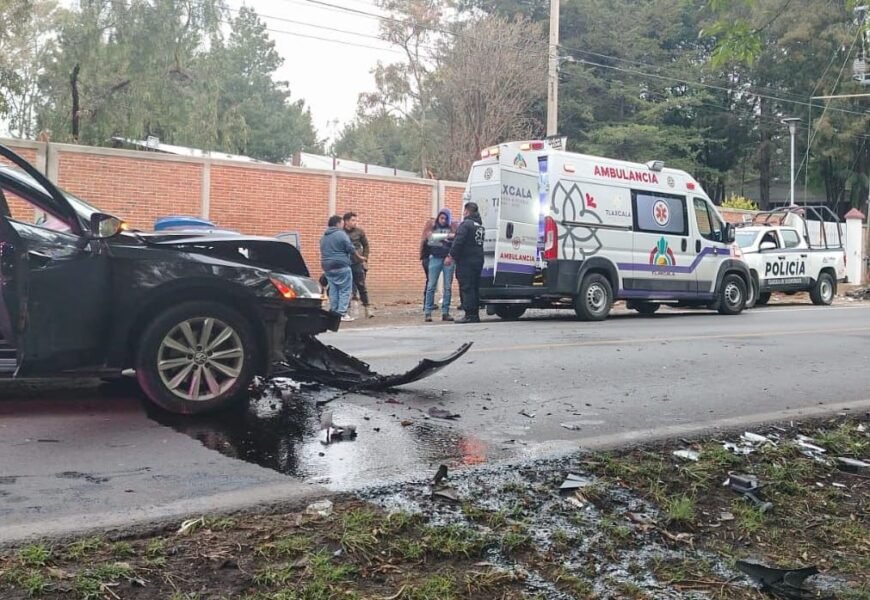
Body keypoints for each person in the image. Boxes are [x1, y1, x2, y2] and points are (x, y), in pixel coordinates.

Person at [445, 202, 485, 324]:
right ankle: (475, 314)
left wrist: (450, 256)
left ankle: (469, 314)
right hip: (478, 260)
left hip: (466, 261)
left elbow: (459, 242)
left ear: (467, 211)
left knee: (466, 287)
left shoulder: (465, 225)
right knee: (474, 287)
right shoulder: (480, 226)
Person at [320, 215, 365, 322]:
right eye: (341, 223)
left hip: (327, 266)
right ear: (338, 224)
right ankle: (342, 313)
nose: (343, 225)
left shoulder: (324, 237)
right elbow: (350, 248)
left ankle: (334, 311)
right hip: (341, 264)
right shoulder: (341, 234)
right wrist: (360, 257)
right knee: (345, 289)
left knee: (334, 289)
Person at [422, 208, 457, 322]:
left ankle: (445, 312)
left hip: (447, 259)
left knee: (447, 287)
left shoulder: (452, 228)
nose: (443, 220)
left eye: (445, 218)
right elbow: (431, 239)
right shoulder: (433, 227)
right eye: (441, 218)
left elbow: (454, 242)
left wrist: (443, 239)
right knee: (431, 286)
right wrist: (447, 236)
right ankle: (428, 312)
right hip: (435, 258)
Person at [342, 212, 374, 318]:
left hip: (357, 262)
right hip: (345, 263)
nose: (355, 222)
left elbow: (366, 245)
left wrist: (365, 258)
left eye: (356, 220)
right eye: (353, 220)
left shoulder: (360, 232)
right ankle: (346, 309)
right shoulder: (341, 233)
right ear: (346, 221)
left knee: (361, 285)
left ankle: (367, 307)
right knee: (346, 286)